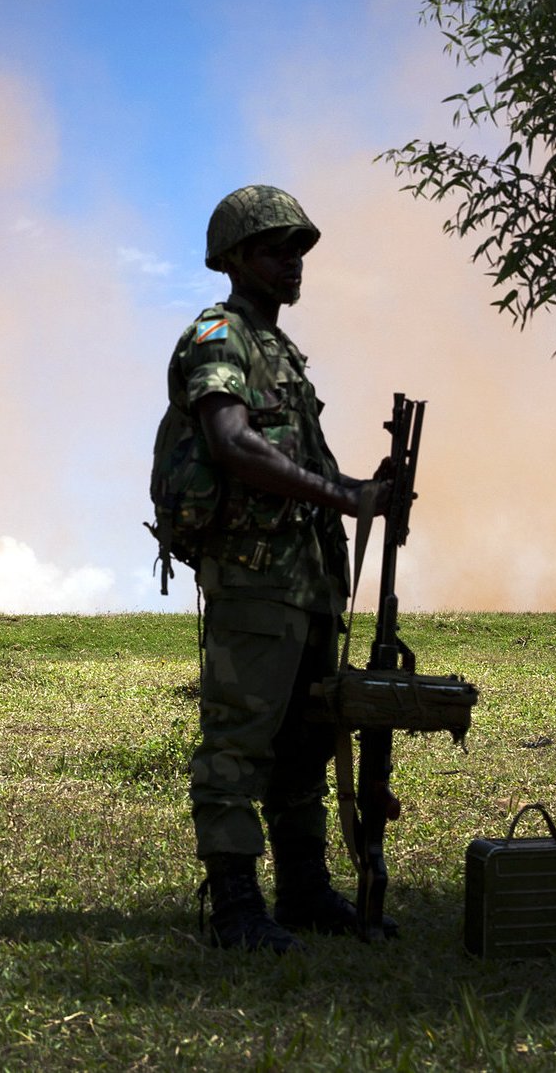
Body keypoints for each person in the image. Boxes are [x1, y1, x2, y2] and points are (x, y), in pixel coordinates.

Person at [165, 184, 390, 953]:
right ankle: (234, 907)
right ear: (232, 259)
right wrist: (343, 493)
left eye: (298, 250)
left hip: (307, 581)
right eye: (273, 249)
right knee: (238, 742)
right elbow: (231, 443)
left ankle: (302, 891)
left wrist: (364, 489)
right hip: (255, 578)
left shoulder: (281, 351)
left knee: (305, 746)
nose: (292, 263)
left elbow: (299, 464)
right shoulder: (219, 336)